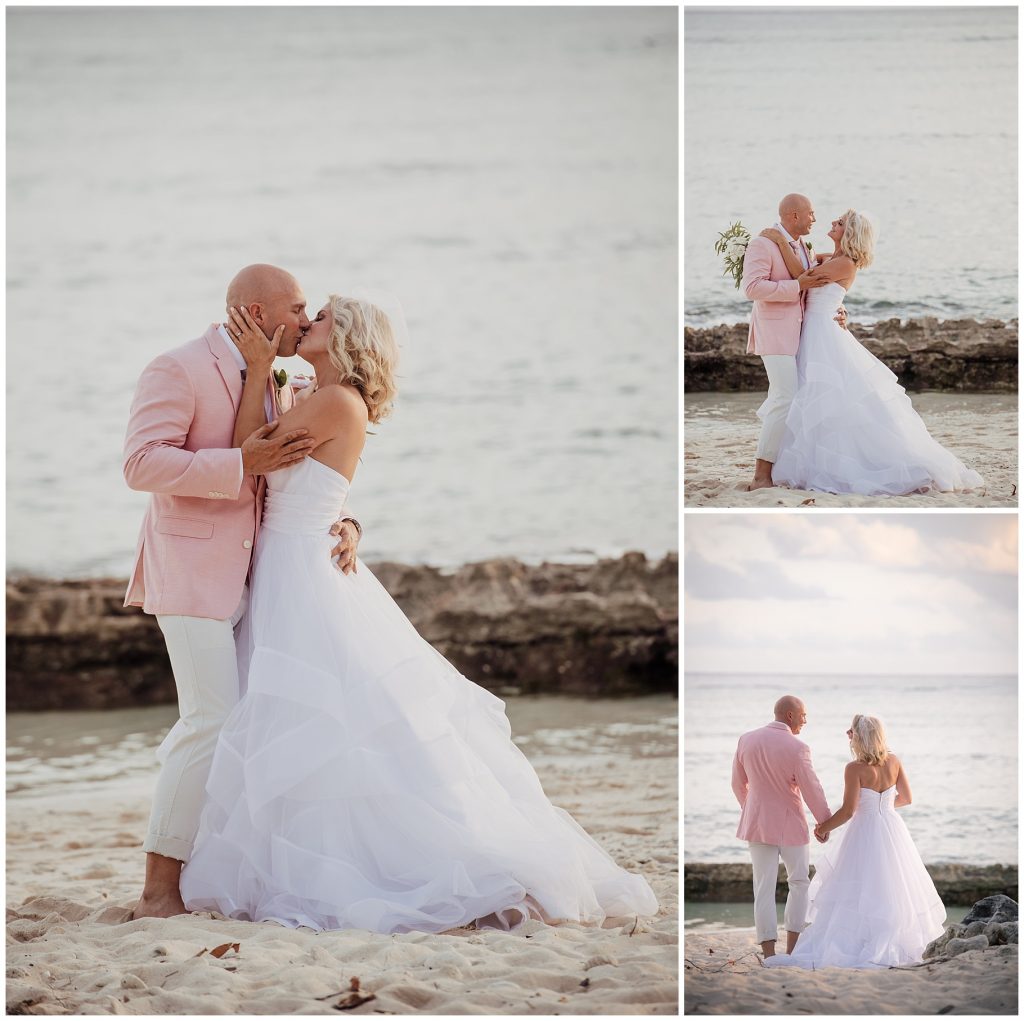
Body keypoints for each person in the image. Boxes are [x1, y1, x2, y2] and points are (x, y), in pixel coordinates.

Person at [178, 296, 660, 934]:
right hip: (293, 561)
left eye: (320, 317)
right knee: (309, 723)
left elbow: (247, 457)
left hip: (300, 571)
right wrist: (348, 520)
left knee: (322, 725)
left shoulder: (334, 400)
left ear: (345, 336)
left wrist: (258, 369)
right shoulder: (317, 395)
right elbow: (303, 482)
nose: (306, 323)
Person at [123, 264, 363, 920]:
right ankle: (156, 892)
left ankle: (201, 873)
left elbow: (303, 476)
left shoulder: (291, 376)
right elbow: (141, 463)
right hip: (191, 573)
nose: (307, 316)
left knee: (224, 725)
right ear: (259, 314)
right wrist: (239, 464)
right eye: (299, 306)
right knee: (210, 720)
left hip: (260, 579)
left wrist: (344, 521)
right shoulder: (177, 368)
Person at [760, 211, 984, 495]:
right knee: (810, 398)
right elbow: (806, 265)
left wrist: (779, 240)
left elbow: (801, 277)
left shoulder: (844, 263)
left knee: (833, 399)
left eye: (839, 223)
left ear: (850, 232)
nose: (832, 223)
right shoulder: (832, 257)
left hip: (824, 336)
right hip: (813, 331)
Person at [763, 715, 946, 969]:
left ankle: (859, 940)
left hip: (864, 831)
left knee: (858, 886)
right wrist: (884, 808)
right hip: (892, 829)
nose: (847, 734)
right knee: (890, 886)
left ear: (861, 737)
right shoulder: (894, 761)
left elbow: (849, 811)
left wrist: (824, 827)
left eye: (852, 731)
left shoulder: (854, 768)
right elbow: (907, 797)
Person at [741, 193, 832, 492]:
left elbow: (817, 285)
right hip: (775, 332)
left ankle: (781, 465)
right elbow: (752, 288)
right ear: (794, 216)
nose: (814, 220)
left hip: (801, 332)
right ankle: (760, 476)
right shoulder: (761, 244)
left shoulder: (804, 246)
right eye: (811, 214)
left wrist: (836, 309)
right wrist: (797, 286)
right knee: (784, 397)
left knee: (786, 398)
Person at [731, 696, 831, 959]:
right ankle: (793, 950)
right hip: (791, 826)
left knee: (763, 887)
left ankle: (769, 956)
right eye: (803, 715)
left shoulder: (746, 739)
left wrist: (751, 808)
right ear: (790, 715)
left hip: (757, 825)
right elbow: (812, 789)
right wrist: (825, 821)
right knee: (798, 883)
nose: (805, 721)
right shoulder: (798, 747)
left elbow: (737, 784)